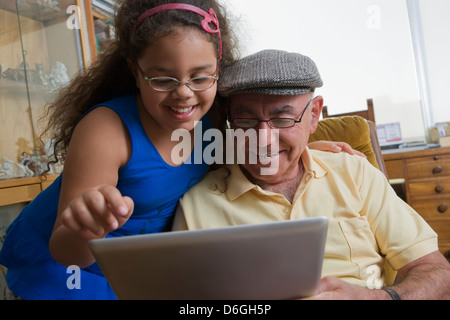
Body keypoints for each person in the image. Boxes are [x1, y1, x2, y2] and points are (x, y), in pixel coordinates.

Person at [0, 1, 352, 300]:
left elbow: (234, 155)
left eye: (200, 77)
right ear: (135, 72)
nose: (184, 93)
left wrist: (302, 146)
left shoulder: (210, 120)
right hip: (68, 269)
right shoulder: (106, 130)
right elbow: (65, 251)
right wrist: (86, 229)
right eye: (163, 79)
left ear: (219, 70)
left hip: (139, 269)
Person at [173, 49, 450, 300]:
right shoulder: (197, 206)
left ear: (314, 114)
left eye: (283, 120)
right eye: (245, 121)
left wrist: (377, 298)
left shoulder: (353, 172)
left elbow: (436, 272)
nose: (264, 140)